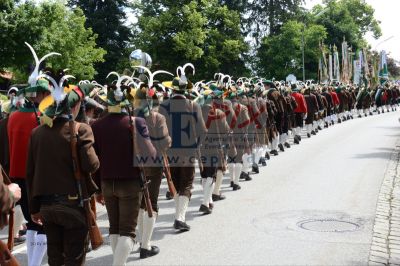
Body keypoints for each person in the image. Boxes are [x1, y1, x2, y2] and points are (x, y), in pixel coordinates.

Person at [26, 81, 100, 266]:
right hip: (73, 205)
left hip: (46, 207)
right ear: (74, 106)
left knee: (55, 259)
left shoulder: (36, 133)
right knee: (74, 260)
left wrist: (34, 208)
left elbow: (30, 174)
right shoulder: (81, 129)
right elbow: (92, 165)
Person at [92, 81, 156, 265]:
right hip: (130, 182)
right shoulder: (137, 122)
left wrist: (97, 190)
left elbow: (94, 160)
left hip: (105, 182)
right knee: (127, 231)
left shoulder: (97, 125)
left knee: (115, 228)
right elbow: (151, 154)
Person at [159, 76, 207, 231]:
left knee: (175, 184)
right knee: (186, 184)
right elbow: (203, 131)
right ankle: (180, 218)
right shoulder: (194, 105)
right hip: (188, 152)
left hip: (169, 152)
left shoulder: (163, 106)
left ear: (173, 89)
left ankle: (178, 216)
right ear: (186, 90)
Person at [134, 83, 171, 259]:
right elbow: (165, 142)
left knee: (141, 204)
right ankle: (145, 245)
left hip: (135, 166)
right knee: (151, 204)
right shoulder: (158, 118)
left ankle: (142, 240)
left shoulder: (130, 118)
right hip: (154, 165)